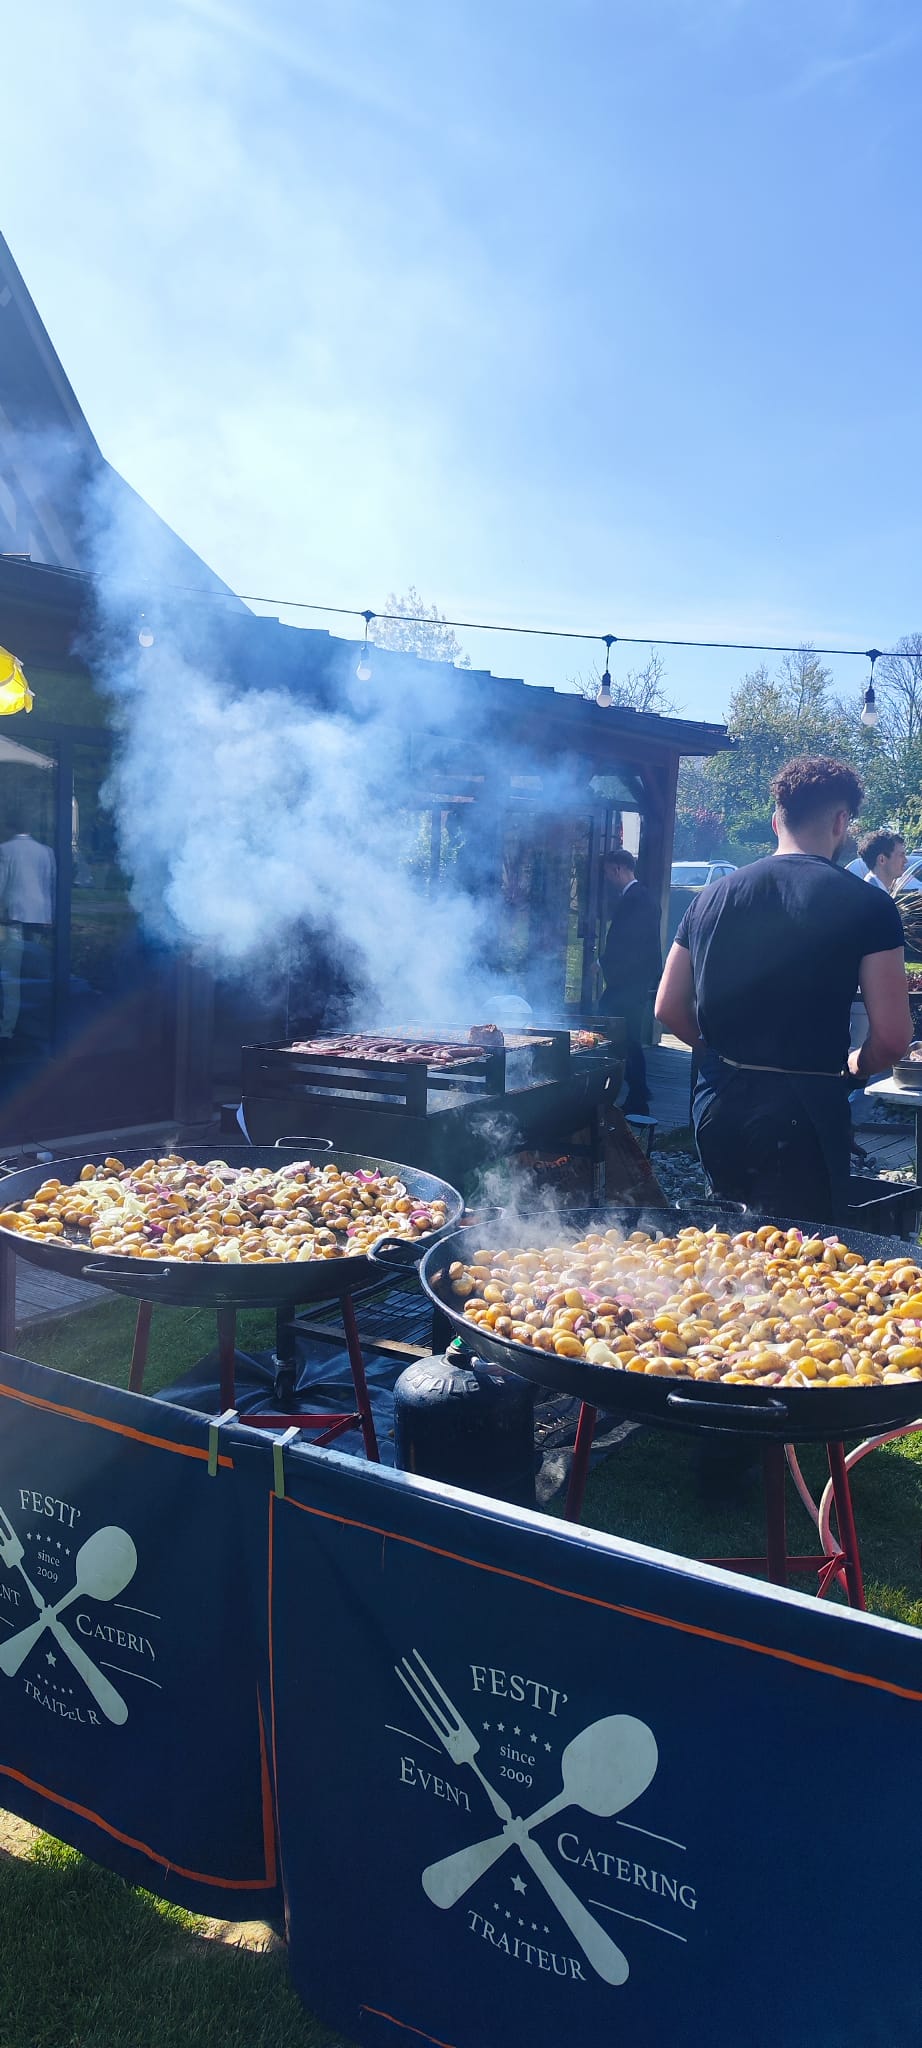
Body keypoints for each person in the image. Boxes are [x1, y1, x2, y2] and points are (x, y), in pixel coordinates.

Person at [654, 757, 911, 1222]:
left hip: (720, 1102)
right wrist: (857, 1064)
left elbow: (668, 1007)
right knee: (801, 1252)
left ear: (777, 820)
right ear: (841, 822)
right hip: (806, 1108)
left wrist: (719, 1052)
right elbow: (893, 1038)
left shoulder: (710, 897)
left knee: (727, 1244)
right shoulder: (869, 906)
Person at [598, 848, 663, 1117]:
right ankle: (637, 1091)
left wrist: (604, 964)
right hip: (632, 982)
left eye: (607, 872)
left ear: (618, 869)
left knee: (621, 1034)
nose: (607, 878)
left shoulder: (635, 900)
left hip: (628, 983)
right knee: (624, 1035)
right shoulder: (643, 897)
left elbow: (630, 945)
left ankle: (636, 1094)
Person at [0, 810, 56, 1044]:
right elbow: (50, 885)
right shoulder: (46, 851)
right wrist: (50, 917)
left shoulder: (5, 850)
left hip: (13, 918)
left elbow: (1, 884)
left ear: (10, 828)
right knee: (34, 973)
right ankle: (35, 1023)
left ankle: (7, 1028)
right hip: (39, 917)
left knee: (11, 977)